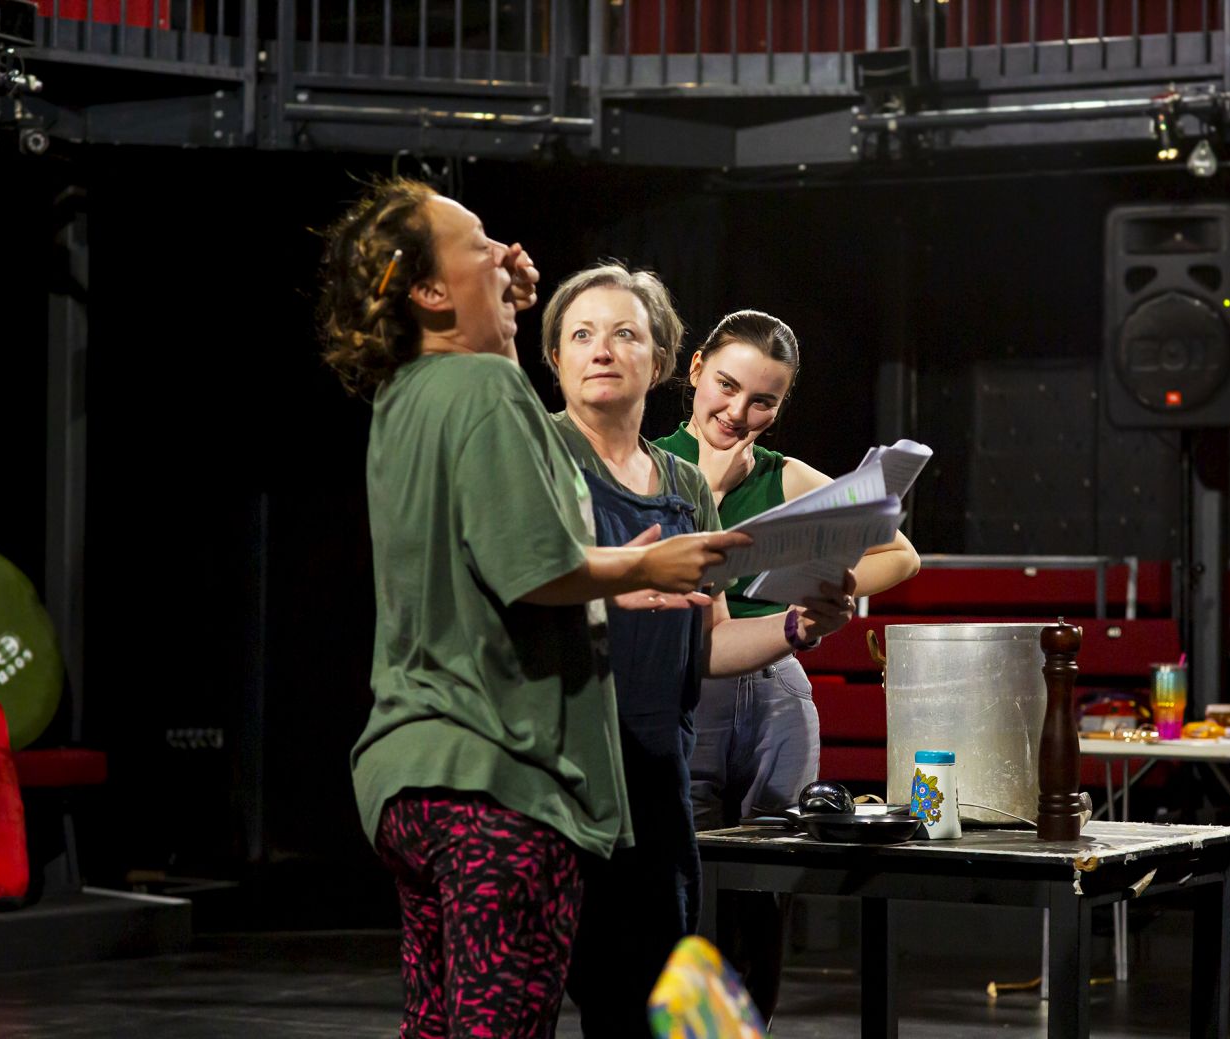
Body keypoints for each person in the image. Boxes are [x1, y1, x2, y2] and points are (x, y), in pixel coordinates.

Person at [319, 180, 748, 1038]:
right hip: (497, 779)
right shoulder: (489, 395)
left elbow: (499, 527)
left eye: (624, 332)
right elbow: (528, 564)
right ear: (430, 290)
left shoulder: (413, 392)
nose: (508, 257)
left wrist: (497, 316)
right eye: (480, 244)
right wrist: (646, 560)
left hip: (415, 776)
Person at [537, 265, 858, 1039]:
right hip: (561, 772)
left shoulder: (684, 483)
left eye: (624, 333)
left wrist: (796, 628)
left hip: (656, 771)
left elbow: (707, 642)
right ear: (555, 357)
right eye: (581, 334)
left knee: (653, 1006)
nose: (602, 351)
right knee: (531, 998)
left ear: (657, 355)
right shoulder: (535, 453)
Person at [653, 309, 921, 1020]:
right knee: (685, 880)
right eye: (726, 386)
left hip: (777, 690)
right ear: (696, 367)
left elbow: (902, 552)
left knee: (766, 889)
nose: (738, 412)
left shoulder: (786, 474)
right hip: (690, 688)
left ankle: (749, 1028)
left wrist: (839, 587)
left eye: (763, 400)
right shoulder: (651, 463)